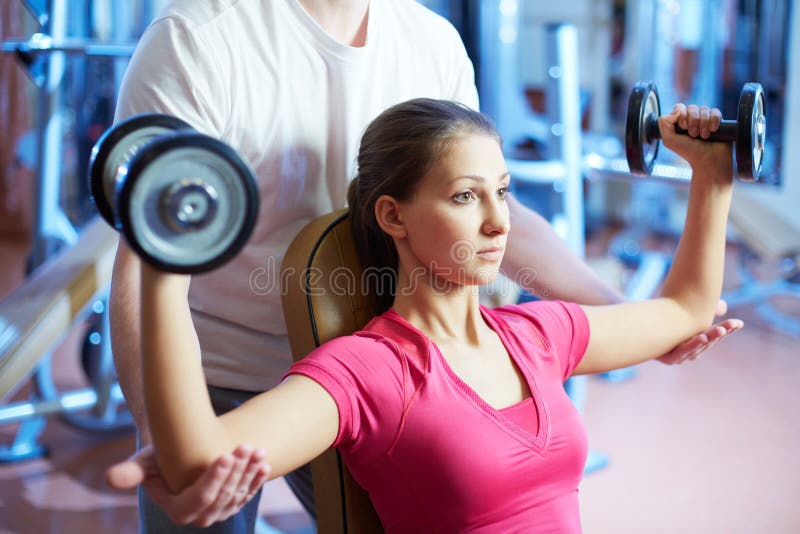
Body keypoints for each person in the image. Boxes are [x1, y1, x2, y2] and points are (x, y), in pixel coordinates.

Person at [106, 0, 741, 531]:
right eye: (468, 197)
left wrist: (638, 321)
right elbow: (148, 253)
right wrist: (158, 433)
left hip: (375, 357)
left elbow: (495, 212)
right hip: (223, 372)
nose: (494, 216)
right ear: (392, 216)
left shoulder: (431, 41)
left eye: (499, 192)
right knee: (188, 500)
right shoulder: (199, 41)